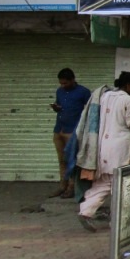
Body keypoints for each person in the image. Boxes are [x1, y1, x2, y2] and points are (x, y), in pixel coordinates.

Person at [77, 71, 130, 232]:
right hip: (119, 147)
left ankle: (85, 211)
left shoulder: (104, 96)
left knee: (102, 183)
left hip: (102, 146)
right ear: (128, 85)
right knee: (119, 184)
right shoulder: (128, 99)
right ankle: (118, 221)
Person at [50, 68, 91, 198]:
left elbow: (89, 111)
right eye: (61, 83)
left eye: (65, 83)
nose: (63, 86)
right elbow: (59, 104)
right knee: (61, 160)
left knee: (72, 160)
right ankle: (62, 185)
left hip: (73, 131)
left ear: (73, 80)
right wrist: (56, 108)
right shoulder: (60, 91)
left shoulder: (83, 92)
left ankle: (71, 188)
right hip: (59, 129)